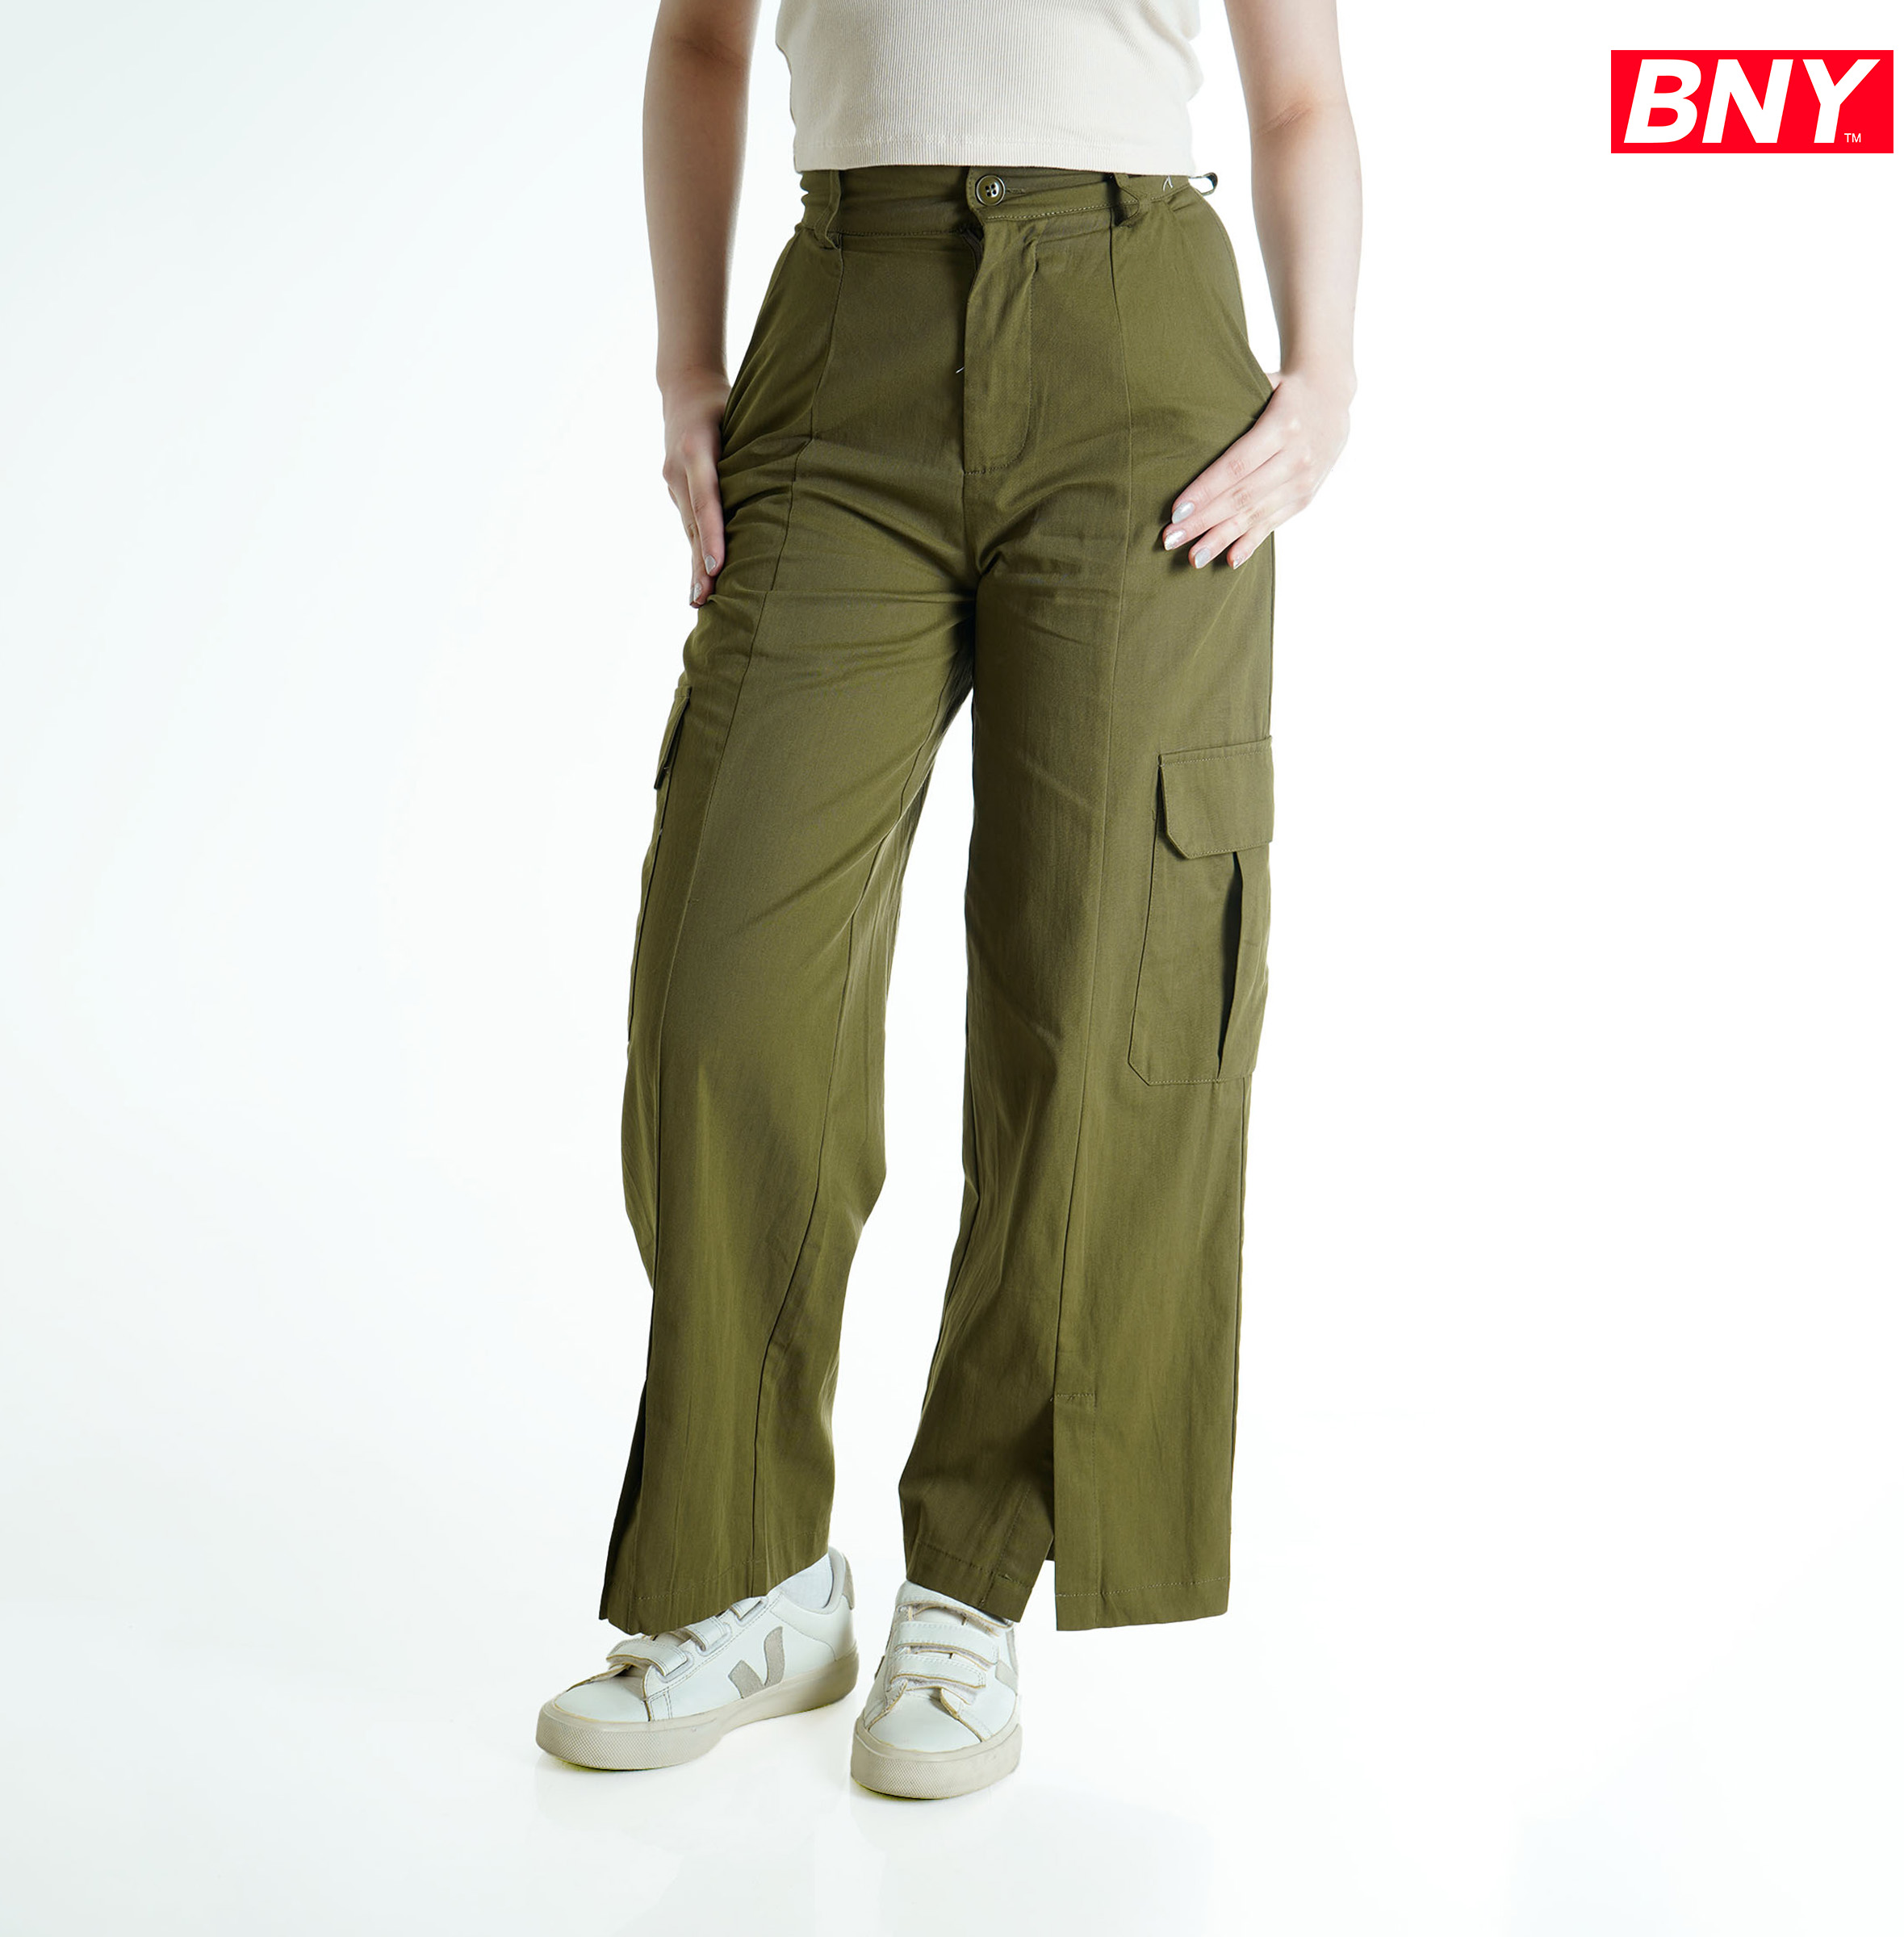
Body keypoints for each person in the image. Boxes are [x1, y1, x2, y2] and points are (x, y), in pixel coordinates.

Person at [537, 0, 1361, 1800]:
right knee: (724, 981)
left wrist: (1322, 382)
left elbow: (1298, 89)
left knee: (1103, 984)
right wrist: (686, 372)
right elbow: (701, 42)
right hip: (849, 327)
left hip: (1140, 348)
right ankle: (750, 1573)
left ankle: (973, 1584)